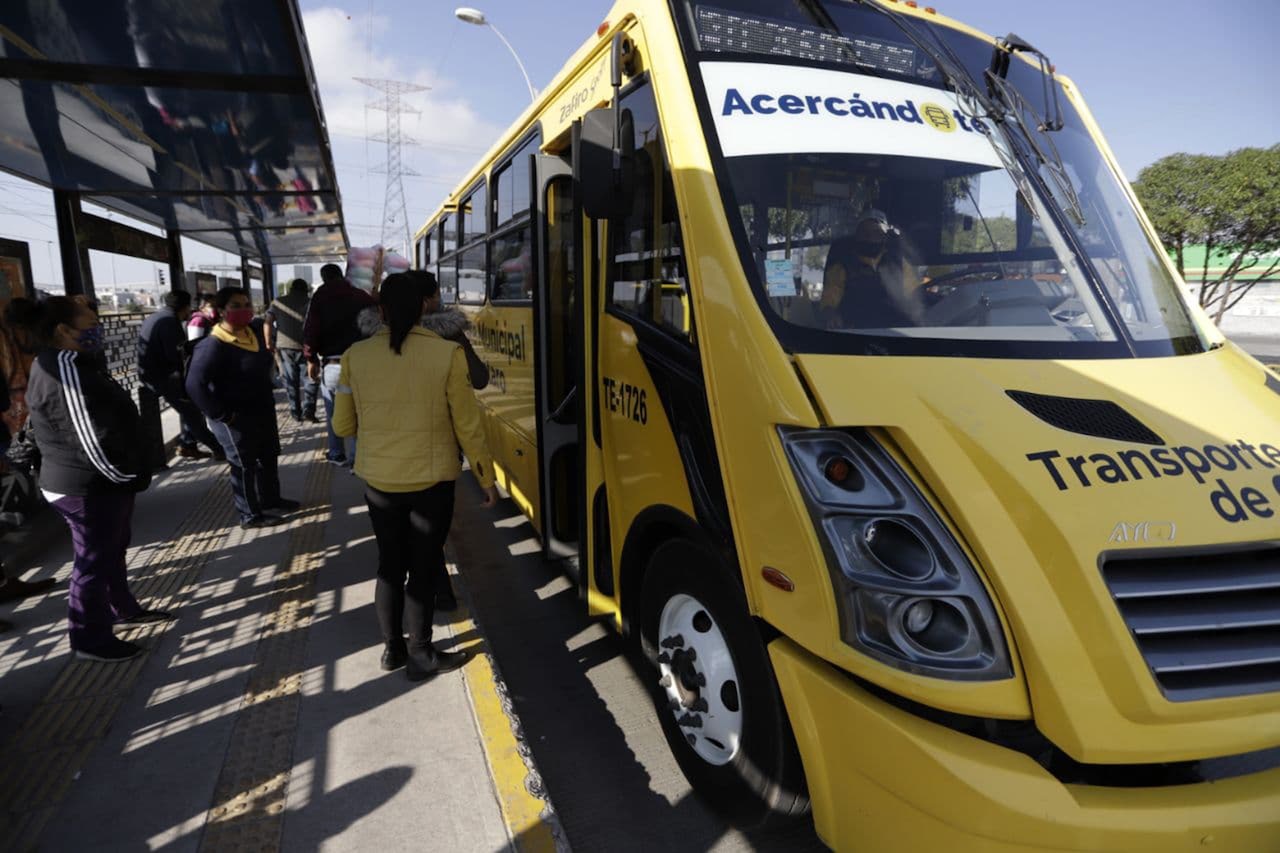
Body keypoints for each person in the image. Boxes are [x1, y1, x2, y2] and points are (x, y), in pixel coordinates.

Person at [332, 272, 497, 681]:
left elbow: (342, 427)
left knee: (390, 564)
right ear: (425, 306)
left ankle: (393, 651)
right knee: (423, 566)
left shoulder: (355, 356)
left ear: (381, 310)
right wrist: (485, 475)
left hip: (379, 481)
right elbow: (467, 424)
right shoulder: (445, 354)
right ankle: (422, 653)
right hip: (432, 482)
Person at [24, 297, 166, 662]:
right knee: (92, 561)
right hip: (87, 485)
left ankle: (122, 608)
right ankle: (89, 639)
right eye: (91, 324)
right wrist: (125, 475)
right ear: (63, 331)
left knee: (111, 549)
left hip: (100, 482)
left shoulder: (72, 362)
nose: (98, 328)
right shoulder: (65, 366)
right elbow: (88, 437)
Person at [407, 269, 487, 611]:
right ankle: (438, 588)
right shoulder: (450, 336)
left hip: (388, 455)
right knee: (434, 524)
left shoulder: (373, 343)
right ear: (429, 300)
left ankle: (428, 587)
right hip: (441, 448)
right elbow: (479, 379)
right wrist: (485, 476)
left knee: (409, 528)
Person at [185, 287, 299, 530]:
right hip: (233, 416)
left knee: (268, 455)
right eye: (236, 305)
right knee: (243, 463)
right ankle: (250, 514)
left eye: (246, 303)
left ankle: (271, 500)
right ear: (222, 311)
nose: (244, 309)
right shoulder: (213, 344)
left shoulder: (252, 333)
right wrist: (222, 414)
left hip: (261, 409)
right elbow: (194, 384)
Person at [137, 289, 223, 461]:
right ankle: (220, 449)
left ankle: (187, 445)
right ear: (185, 307)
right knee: (193, 412)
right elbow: (176, 355)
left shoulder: (157, 316)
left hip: (151, 373)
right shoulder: (169, 322)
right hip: (163, 377)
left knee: (190, 408)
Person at [304, 263, 375, 466]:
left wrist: (310, 359)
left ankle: (336, 453)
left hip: (333, 363)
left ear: (324, 278)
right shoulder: (360, 295)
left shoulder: (320, 297)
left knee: (334, 413)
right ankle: (357, 458)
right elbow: (375, 323)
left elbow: (311, 330)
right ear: (341, 275)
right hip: (361, 362)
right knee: (358, 411)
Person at [820, 213, 918, 329]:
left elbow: (915, 298)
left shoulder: (900, 264)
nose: (870, 237)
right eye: (864, 233)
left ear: (885, 237)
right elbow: (830, 297)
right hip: (855, 333)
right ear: (856, 236)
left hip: (895, 333)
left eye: (876, 233)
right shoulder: (842, 266)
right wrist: (830, 313)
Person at [265, 279, 319, 423]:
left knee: (291, 381)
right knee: (311, 379)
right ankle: (309, 411)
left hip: (285, 347)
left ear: (291, 289)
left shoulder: (277, 302)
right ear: (306, 290)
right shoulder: (312, 302)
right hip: (307, 347)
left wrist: (268, 341)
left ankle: (296, 413)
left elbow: (268, 322)